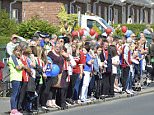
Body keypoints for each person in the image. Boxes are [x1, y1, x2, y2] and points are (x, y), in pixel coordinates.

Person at [8, 46, 24, 115]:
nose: (18, 52)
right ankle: (13, 110)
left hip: (18, 78)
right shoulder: (13, 57)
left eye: (20, 51)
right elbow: (18, 67)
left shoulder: (18, 59)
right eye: (17, 51)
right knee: (14, 94)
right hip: (15, 77)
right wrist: (22, 66)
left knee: (17, 94)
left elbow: (22, 66)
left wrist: (22, 66)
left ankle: (15, 109)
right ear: (14, 51)